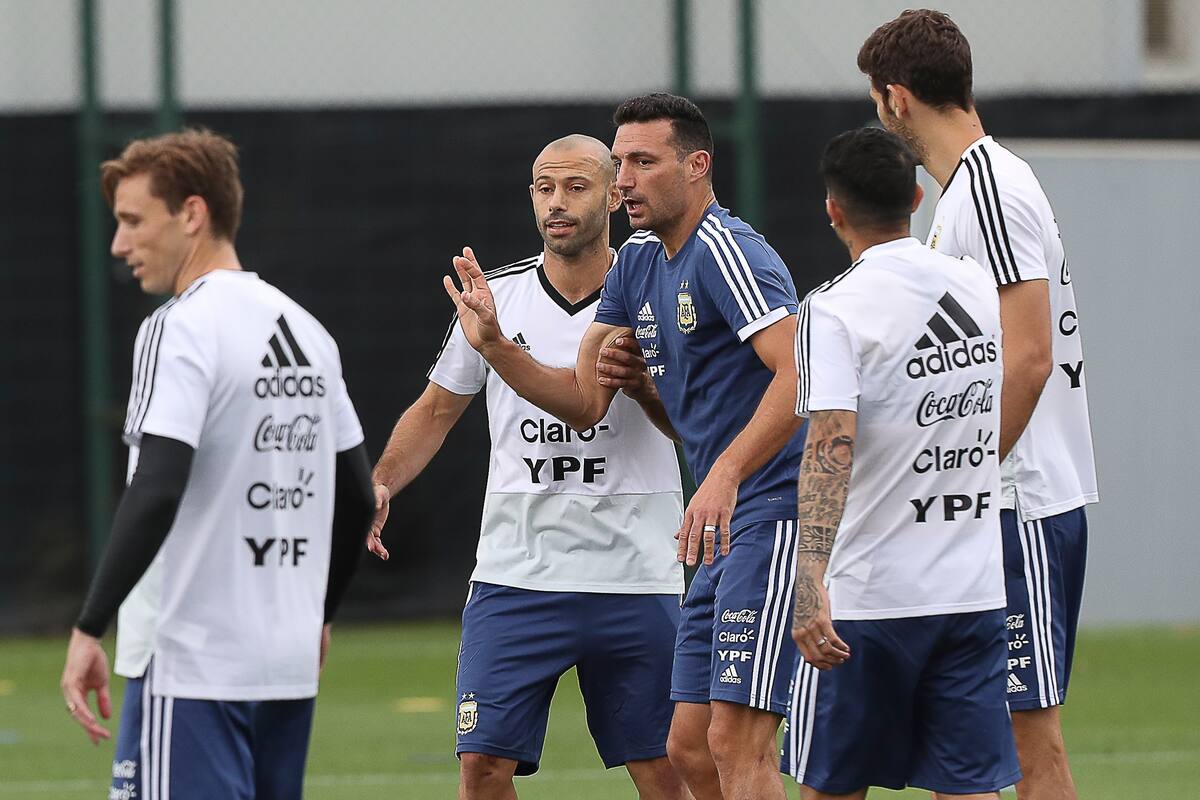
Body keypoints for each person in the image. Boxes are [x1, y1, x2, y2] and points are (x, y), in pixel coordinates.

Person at [443, 94, 806, 800]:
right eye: (622, 163)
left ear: (697, 166)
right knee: (690, 750)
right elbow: (584, 400)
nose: (627, 179)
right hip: (713, 532)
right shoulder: (639, 264)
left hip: (765, 512)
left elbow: (802, 374)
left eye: (644, 162)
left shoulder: (728, 252)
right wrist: (492, 346)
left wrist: (726, 469)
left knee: (729, 742)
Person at [369, 134, 690, 800]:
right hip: (518, 576)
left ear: (612, 193)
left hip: (637, 573)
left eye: (575, 186)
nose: (557, 203)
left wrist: (647, 387)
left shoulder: (658, 290)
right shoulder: (498, 301)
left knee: (665, 772)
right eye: (545, 188)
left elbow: (690, 425)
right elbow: (434, 411)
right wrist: (381, 481)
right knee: (482, 771)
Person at [59, 129, 374, 799]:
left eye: (132, 220)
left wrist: (90, 625)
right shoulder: (308, 332)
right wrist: (318, 613)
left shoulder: (179, 327)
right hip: (285, 662)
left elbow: (157, 486)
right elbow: (355, 494)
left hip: (195, 663)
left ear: (192, 214)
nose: (119, 244)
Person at [857, 11, 1099, 798]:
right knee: (969, 750)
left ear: (896, 98)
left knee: (1030, 746)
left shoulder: (988, 188)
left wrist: (957, 478)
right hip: (988, 505)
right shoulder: (968, 192)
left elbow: (1029, 357)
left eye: (874, 100)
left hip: (1014, 502)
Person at [783, 126, 1019, 799]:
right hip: (972, 592)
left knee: (832, 785)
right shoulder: (974, 287)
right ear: (917, 197)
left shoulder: (833, 310)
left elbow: (832, 442)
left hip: (871, 599)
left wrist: (809, 577)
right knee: (970, 788)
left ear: (833, 209)